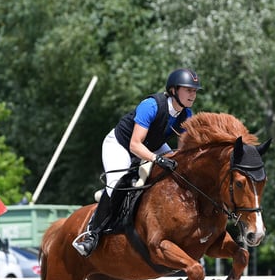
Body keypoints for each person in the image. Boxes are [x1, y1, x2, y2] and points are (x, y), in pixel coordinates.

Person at [73, 68, 201, 257]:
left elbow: (183, 151)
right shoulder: (151, 106)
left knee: (178, 170)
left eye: (195, 91)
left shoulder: (186, 114)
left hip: (153, 144)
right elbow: (135, 144)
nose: (193, 94)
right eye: (188, 90)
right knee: (117, 185)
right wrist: (157, 159)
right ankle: (92, 234)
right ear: (173, 90)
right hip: (121, 144)